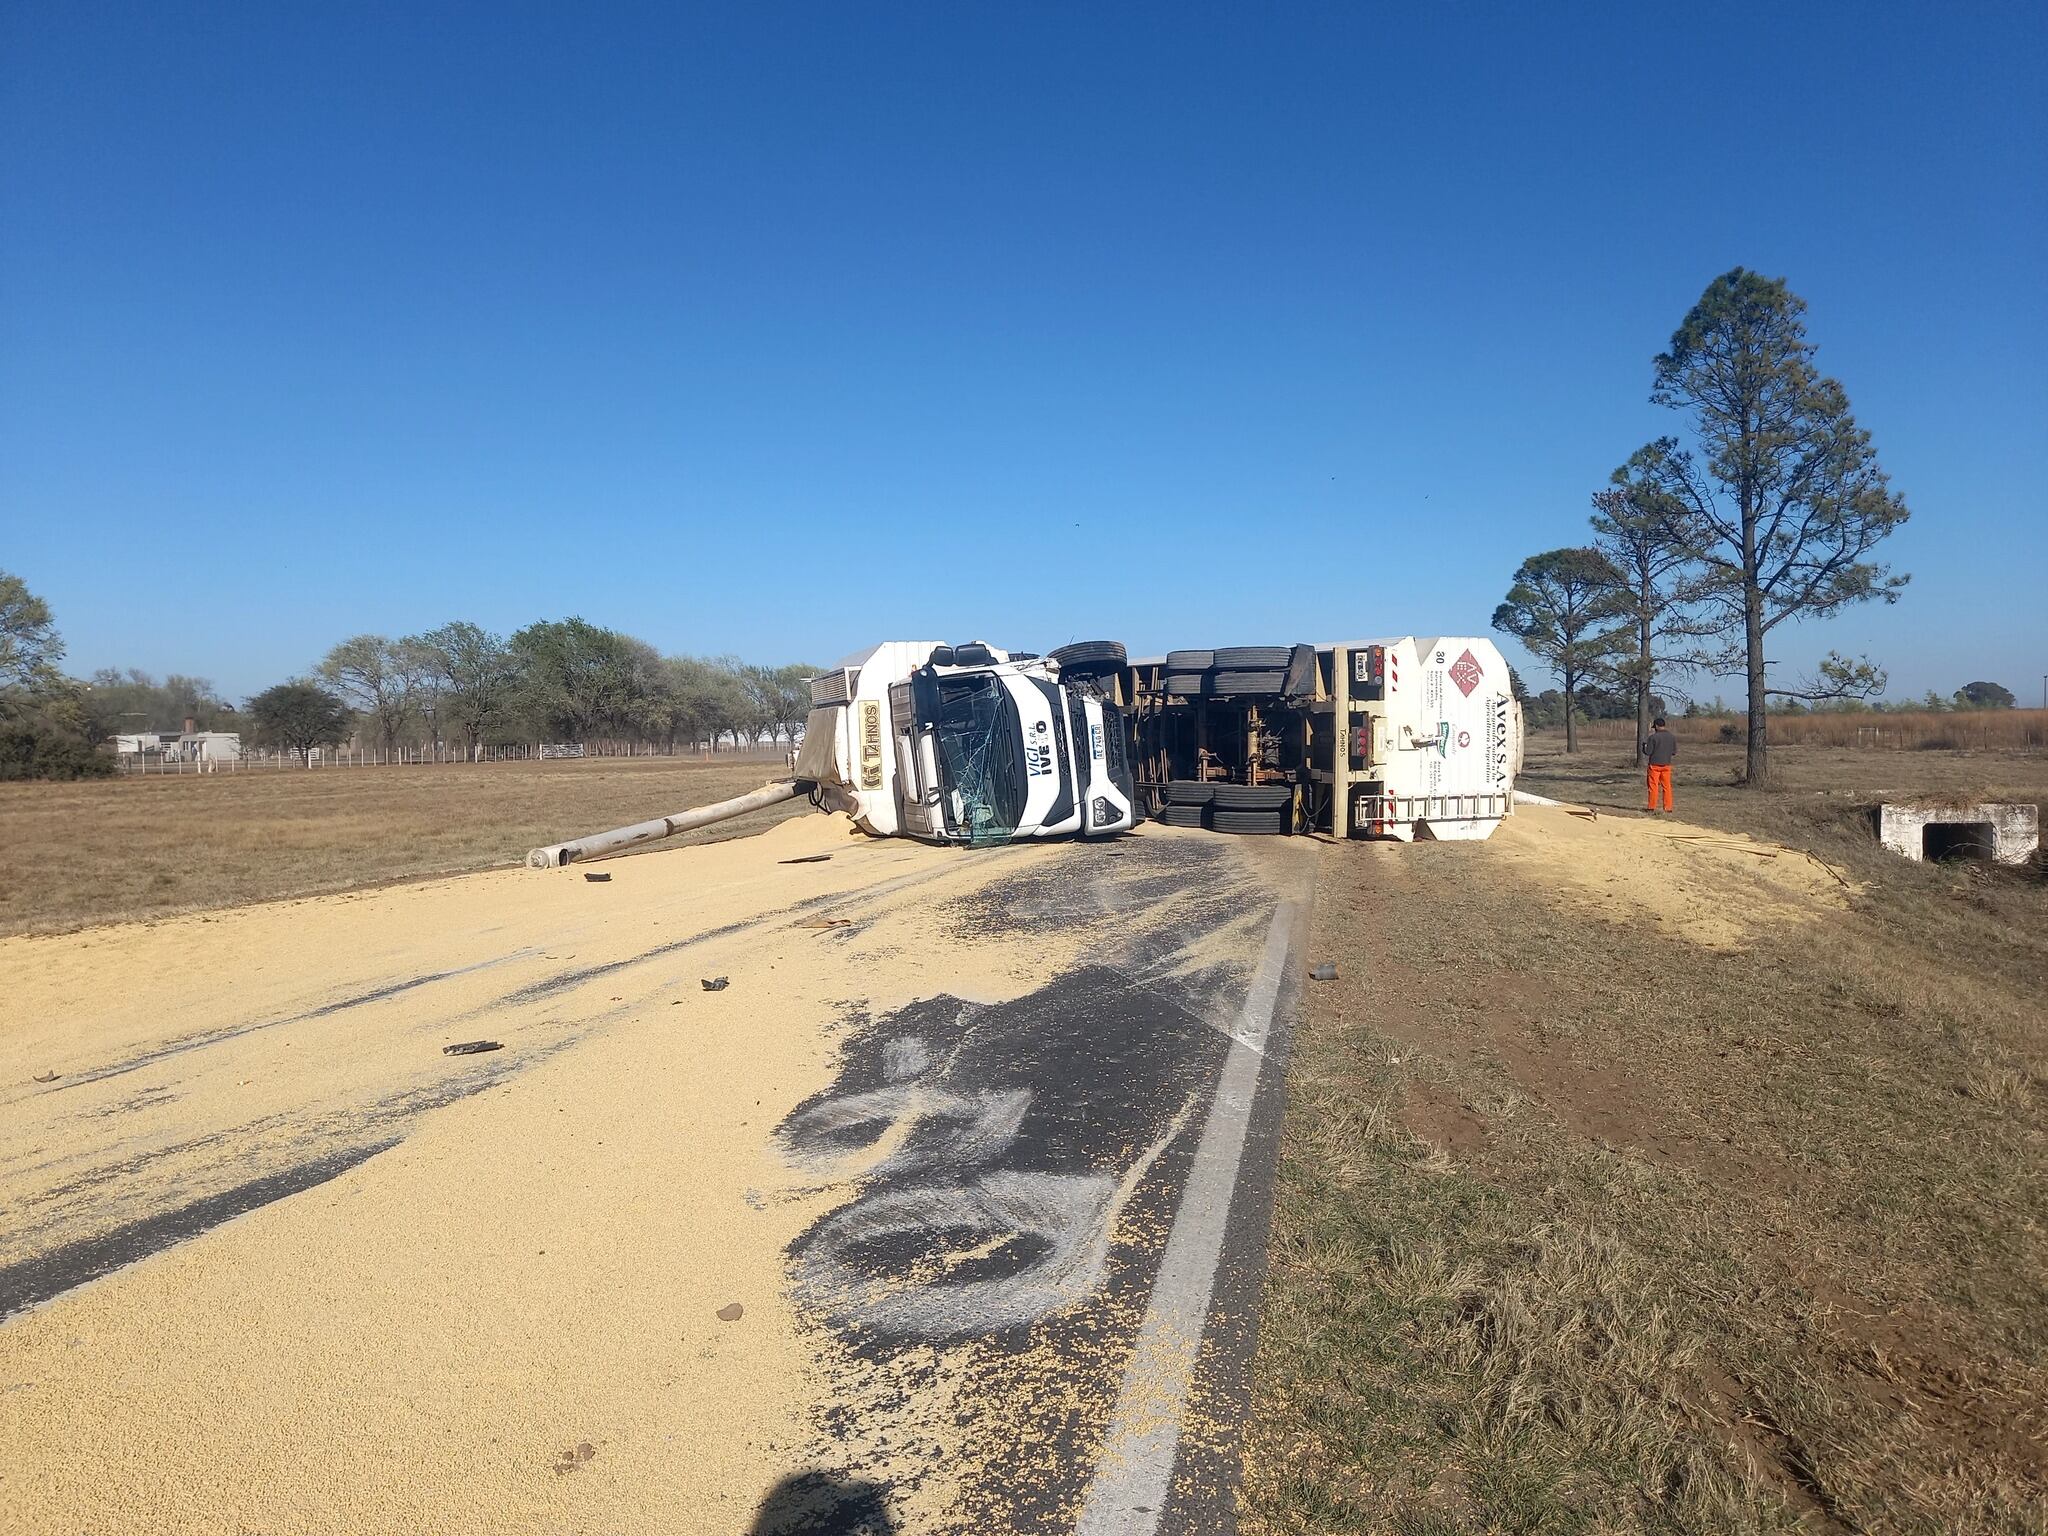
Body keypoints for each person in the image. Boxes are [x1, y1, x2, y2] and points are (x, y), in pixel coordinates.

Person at [1641, 716, 1678, 812]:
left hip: (1654, 765)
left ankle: (1651, 807)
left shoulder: (1653, 737)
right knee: (1667, 787)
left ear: (1657, 726)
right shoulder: (1671, 737)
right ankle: (1668, 808)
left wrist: (1644, 746)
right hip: (1666, 765)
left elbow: (1648, 752)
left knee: (1653, 786)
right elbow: (1674, 752)